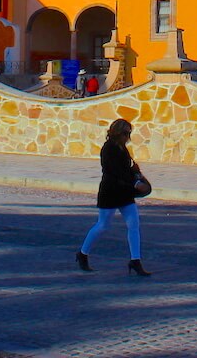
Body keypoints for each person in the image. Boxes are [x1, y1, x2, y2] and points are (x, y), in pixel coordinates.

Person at [76, 118, 151, 276]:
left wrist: (136, 174)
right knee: (103, 225)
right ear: (117, 133)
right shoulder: (108, 148)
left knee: (134, 225)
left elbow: (127, 169)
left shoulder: (122, 148)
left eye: (129, 133)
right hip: (110, 192)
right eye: (125, 133)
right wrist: (135, 183)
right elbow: (115, 172)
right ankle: (83, 253)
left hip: (125, 192)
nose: (128, 137)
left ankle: (135, 260)